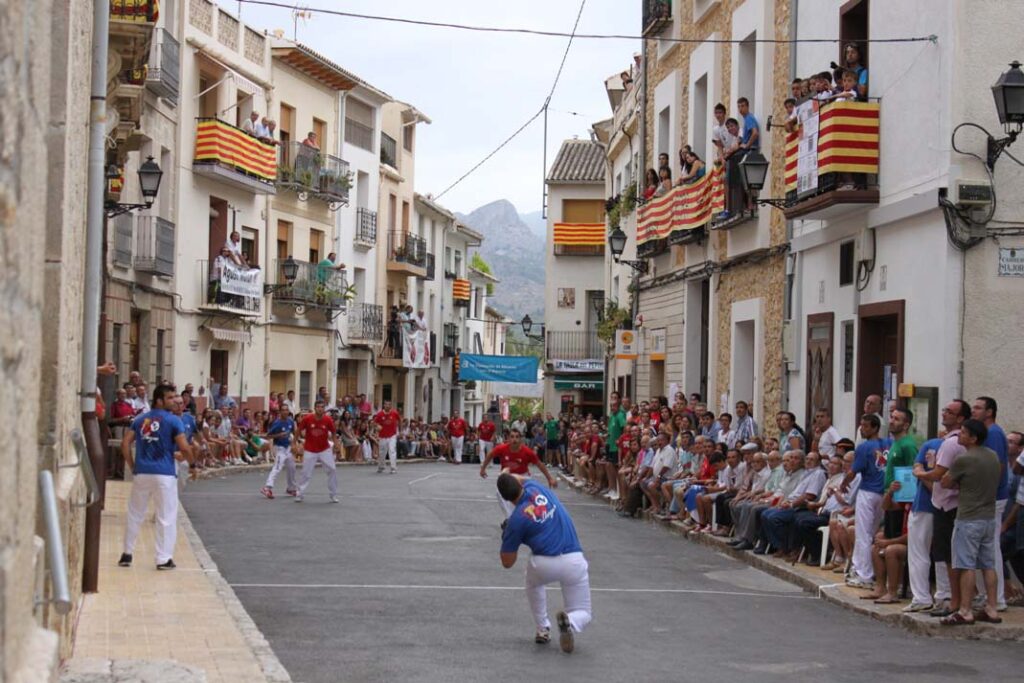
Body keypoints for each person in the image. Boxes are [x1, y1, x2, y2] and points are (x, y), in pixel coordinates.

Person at [497, 473, 590, 653]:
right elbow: (518, 477)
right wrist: (507, 473)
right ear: (519, 484)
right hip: (574, 559)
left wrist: (508, 536)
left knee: (532, 582)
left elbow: (507, 562)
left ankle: (542, 628)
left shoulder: (516, 520)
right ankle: (571, 621)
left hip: (544, 563)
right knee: (584, 611)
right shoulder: (537, 488)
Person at [118, 385, 190, 570]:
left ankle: (127, 553)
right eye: (170, 397)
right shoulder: (174, 421)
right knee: (166, 516)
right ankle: (163, 558)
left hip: (142, 472)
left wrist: (132, 465)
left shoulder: (141, 419)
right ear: (159, 400)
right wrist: (193, 462)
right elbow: (183, 447)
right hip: (164, 473)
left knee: (135, 513)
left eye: (175, 397)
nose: (174, 400)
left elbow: (125, 443)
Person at [940, 419, 1002, 625]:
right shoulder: (993, 456)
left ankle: (965, 609)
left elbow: (946, 482)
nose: (959, 436)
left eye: (964, 433)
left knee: (966, 564)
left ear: (973, 438)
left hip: (968, 517)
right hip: (988, 516)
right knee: (988, 564)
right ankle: (992, 607)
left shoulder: (964, 459)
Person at [971, 396, 1009, 612]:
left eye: (978, 408)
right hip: (988, 497)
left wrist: (987, 492)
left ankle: (997, 597)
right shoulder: (990, 433)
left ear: (989, 412)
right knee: (984, 546)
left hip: (991, 498)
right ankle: (988, 594)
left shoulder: (993, 433)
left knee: (990, 546)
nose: (973, 411)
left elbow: (997, 466)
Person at [842, 413, 886, 588]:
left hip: (868, 492)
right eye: (861, 425)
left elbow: (853, 471)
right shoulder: (888, 444)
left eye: (866, 426)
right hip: (883, 492)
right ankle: (869, 570)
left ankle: (864, 574)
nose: (862, 429)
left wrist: (844, 483)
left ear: (875, 428)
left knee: (863, 534)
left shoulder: (864, 447)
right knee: (872, 532)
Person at [480, 429, 557, 517]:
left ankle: (528, 516)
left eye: (517, 437)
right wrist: (483, 469)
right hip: (507, 477)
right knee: (499, 491)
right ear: (508, 438)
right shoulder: (501, 448)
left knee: (526, 498)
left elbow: (539, 464)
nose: (514, 439)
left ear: (520, 439)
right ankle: (510, 517)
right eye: (512, 437)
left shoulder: (527, 452)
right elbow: (490, 455)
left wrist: (549, 478)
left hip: (523, 477)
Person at [295, 399, 338, 503]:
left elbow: (333, 432)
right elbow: (298, 430)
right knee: (306, 472)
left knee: (332, 470)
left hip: (324, 449)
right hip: (310, 449)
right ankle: (299, 493)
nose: (320, 409)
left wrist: (336, 444)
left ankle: (333, 494)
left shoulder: (328, 420)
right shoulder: (307, 418)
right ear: (315, 408)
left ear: (324, 409)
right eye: (318, 407)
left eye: (322, 407)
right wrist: (295, 443)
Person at [261, 405, 297, 499]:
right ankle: (267, 487)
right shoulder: (277, 423)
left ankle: (291, 488)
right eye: (283, 410)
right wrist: (279, 435)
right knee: (277, 467)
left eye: (287, 410)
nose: (285, 412)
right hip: (280, 448)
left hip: (288, 447)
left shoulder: (290, 421)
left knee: (292, 467)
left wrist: (294, 444)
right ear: (280, 412)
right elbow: (268, 436)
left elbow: (294, 432)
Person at [373, 400, 401, 473]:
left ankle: (393, 468)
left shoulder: (394, 413)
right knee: (382, 452)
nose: (388, 406)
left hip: (392, 435)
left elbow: (400, 420)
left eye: (389, 404)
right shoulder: (380, 414)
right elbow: (374, 423)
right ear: (384, 405)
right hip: (382, 436)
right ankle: (381, 466)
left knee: (392, 450)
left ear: (391, 406)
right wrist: (377, 427)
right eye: (386, 404)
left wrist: (399, 431)